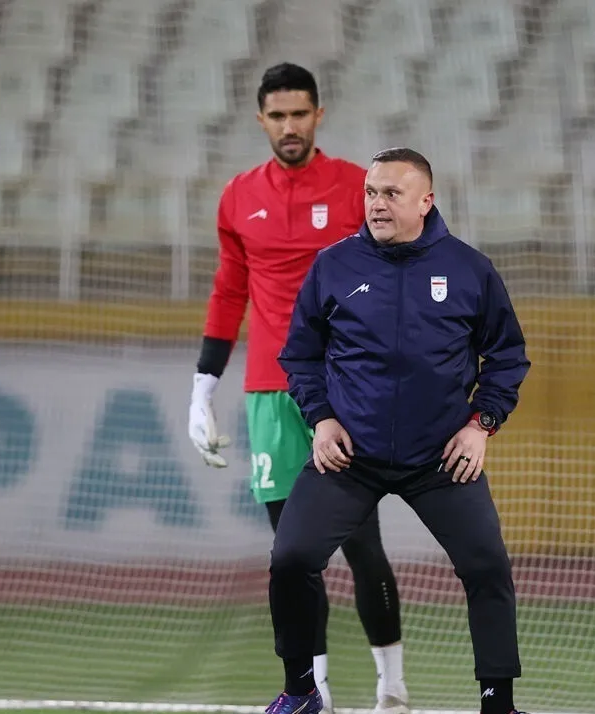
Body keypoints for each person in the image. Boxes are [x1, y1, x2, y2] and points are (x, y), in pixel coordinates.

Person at [265, 147, 530, 714]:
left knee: (487, 567)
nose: (377, 204)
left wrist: (481, 424)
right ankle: (301, 691)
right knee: (291, 557)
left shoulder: (469, 269)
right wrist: (321, 419)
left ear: (426, 201)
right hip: (350, 458)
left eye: (391, 193)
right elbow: (301, 356)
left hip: (440, 459)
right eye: (370, 192)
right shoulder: (334, 265)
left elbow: (507, 357)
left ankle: (498, 703)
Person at [186, 63, 409, 714]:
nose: (290, 126)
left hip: (345, 389)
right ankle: (313, 691)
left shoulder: (356, 188)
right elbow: (229, 291)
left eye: (300, 114)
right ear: (261, 120)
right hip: (270, 392)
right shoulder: (238, 197)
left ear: (319, 115)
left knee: (360, 542)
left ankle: (392, 688)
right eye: (278, 116)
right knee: (293, 553)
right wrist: (203, 387)